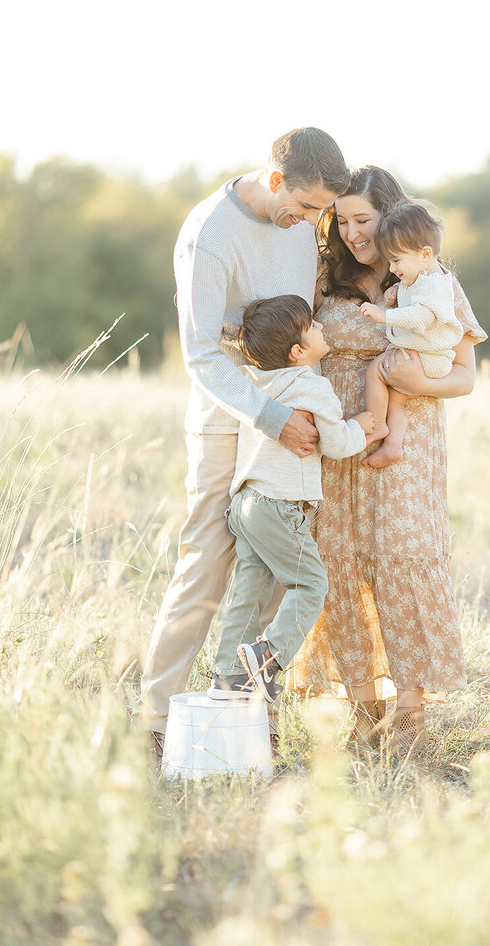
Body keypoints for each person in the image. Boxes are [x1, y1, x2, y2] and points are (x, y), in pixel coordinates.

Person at [139, 128, 349, 761]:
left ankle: (241, 708)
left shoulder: (302, 227)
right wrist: (270, 414)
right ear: (276, 178)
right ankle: (154, 717)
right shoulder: (211, 233)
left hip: (286, 404)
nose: (313, 223)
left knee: (269, 562)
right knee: (206, 554)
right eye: (308, 206)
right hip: (229, 408)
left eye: (322, 212)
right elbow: (202, 354)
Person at [288, 166, 487, 753]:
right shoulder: (325, 278)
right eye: (341, 221)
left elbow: (465, 378)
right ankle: (362, 711)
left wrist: (409, 383)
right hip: (339, 438)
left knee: (402, 558)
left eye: (363, 220)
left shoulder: (434, 279)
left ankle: (408, 718)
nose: (351, 233)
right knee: (340, 561)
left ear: (391, 214)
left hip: (409, 436)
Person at [211, 294, 374, 701]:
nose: (321, 328)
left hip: (246, 503)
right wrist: (363, 428)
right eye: (313, 327)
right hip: (280, 506)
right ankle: (269, 656)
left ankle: (228, 676)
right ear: (299, 352)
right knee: (312, 584)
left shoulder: (253, 381)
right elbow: (335, 444)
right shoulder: (311, 385)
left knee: (248, 591)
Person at [359, 202, 463, 467]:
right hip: (427, 356)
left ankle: (377, 425)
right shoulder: (423, 279)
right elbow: (415, 300)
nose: (393, 268)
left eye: (397, 260)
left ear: (425, 254)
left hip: (428, 358)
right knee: (396, 398)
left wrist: (384, 315)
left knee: (375, 371)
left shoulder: (435, 285)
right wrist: (397, 293)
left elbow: (420, 317)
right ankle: (392, 444)